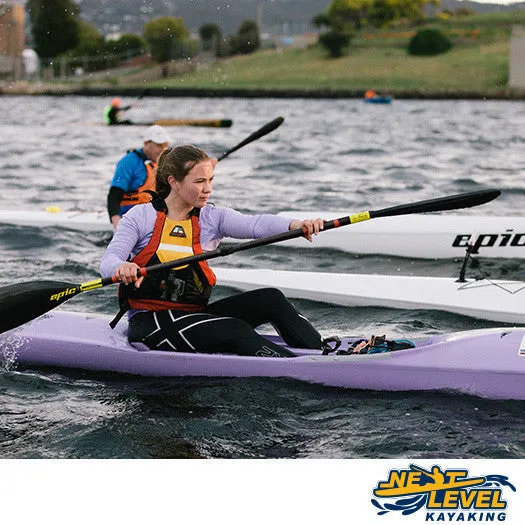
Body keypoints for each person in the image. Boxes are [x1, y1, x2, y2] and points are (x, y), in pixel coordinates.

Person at [100, 144, 328, 358]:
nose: (207, 189)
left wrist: (295, 225)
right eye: (199, 181)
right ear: (174, 182)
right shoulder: (141, 217)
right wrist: (123, 267)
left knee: (271, 298)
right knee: (234, 328)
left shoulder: (211, 217)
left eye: (210, 180)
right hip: (150, 323)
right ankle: (299, 368)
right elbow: (109, 260)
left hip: (193, 314)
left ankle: (324, 353)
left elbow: (256, 224)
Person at [107, 124, 170, 229]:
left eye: (165, 145)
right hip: (129, 216)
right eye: (159, 145)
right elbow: (114, 196)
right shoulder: (129, 162)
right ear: (146, 143)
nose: (163, 150)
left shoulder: (160, 163)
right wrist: (118, 225)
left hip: (150, 216)